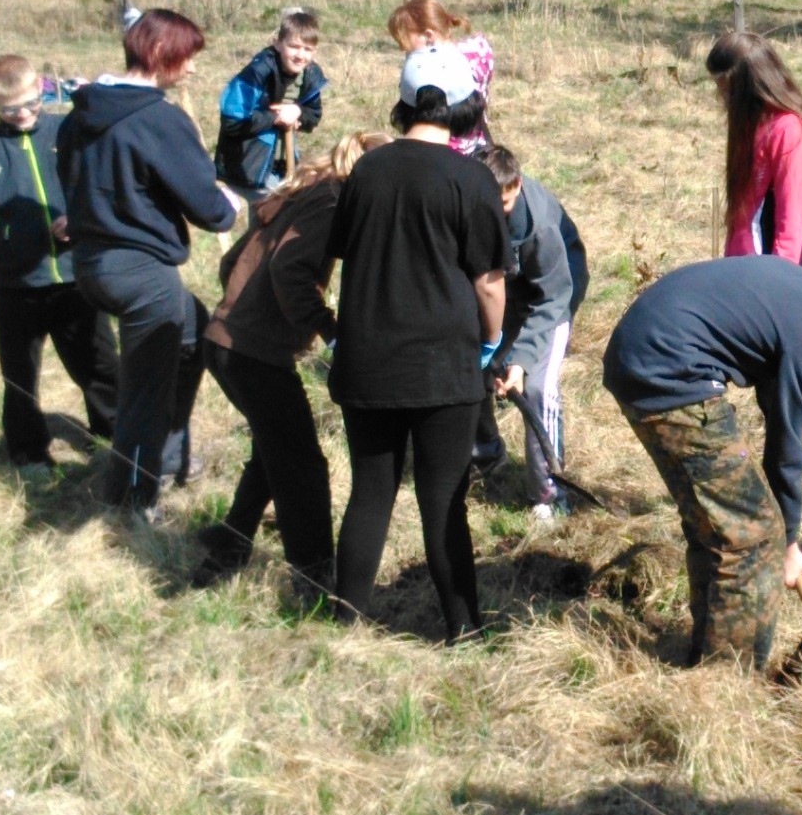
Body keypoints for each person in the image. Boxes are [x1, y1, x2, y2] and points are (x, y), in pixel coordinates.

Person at [602, 254, 802, 668]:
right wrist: (784, 540)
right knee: (753, 537)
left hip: (641, 358)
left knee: (716, 524)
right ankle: (730, 676)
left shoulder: (799, 295)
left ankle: (708, 649)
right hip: (669, 372)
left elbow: (773, 422)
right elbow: (786, 447)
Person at [322, 45, 508, 640]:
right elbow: (489, 281)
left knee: (369, 495)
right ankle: (465, 628)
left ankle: (343, 622)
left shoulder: (366, 172)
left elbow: (344, 253)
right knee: (443, 501)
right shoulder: (472, 180)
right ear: (464, 106)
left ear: (404, 104)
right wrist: (493, 340)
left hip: (367, 360)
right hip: (442, 368)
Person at [58, 10, 242, 516]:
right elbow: (208, 209)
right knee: (144, 390)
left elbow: (70, 180)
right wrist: (228, 204)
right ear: (162, 55)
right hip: (141, 275)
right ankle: (134, 502)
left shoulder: (80, 114)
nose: (192, 70)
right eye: (187, 59)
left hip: (92, 264)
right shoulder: (157, 120)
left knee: (195, 332)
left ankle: (167, 453)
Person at [197, 129, 389, 602]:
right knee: (302, 467)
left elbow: (235, 262)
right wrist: (327, 327)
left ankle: (230, 542)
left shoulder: (305, 191)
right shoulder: (329, 203)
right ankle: (314, 580)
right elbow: (290, 271)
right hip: (251, 352)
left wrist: (239, 305)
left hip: (228, 339)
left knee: (274, 449)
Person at [0, 53, 118, 476]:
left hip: (75, 275)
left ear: (42, 89)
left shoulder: (68, 129)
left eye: (31, 102)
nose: (24, 114)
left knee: (98, 362)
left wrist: (80, 221)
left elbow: (101, 183)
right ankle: (28, 452)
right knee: (19, 374)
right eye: (11, 109)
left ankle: (116, 432)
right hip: (17, 283)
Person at [475, 145, 589, 519]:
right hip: (502, 292)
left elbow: (553, 297)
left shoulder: (539, 227)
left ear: (517, 185)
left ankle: (550, 494)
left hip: (551, 295)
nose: (496, 213)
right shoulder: (468, 204)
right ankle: (487, 457)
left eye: (504, 205)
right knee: (474, 367)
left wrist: (520, 361)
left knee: (539, 388)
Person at [707, 31, 802, 274]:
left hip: (773, 280)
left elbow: (790, 222)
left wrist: (777, 285)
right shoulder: (751, 127)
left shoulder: (792, 132)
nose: (721, 97)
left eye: (725, 88)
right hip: (743, 273)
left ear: (747, 84)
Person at [215, 8, 328, 202]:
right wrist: (276, 118)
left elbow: (314, 115)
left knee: (283, 214)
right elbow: (233, 121)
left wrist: (298, 112)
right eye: (294, 46)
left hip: (284, 161)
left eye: (307, 49)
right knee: (268, 219)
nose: (301, 55)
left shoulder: (310, 73)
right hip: (248, 162)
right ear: (277, 43)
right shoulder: (258, 72)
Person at [388, 0, 493, 155]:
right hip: (479, 144)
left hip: (445, 151)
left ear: (429, 36)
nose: (404, 49)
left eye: (406, 42)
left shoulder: (434, 72)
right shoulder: (478, 51)